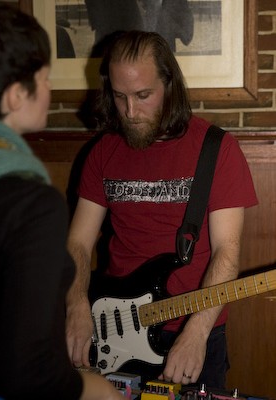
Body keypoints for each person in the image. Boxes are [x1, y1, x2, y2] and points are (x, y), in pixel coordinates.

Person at [0, 2, 124, 399]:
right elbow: (29, 374)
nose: (50, 89)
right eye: (43, 78)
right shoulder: (30, 203)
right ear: (14, 96)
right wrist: (96, 390)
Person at [65, 30, 258, 389]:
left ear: (169, 85)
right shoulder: (103, 152)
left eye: (143, 95)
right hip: (112, 329)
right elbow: (77, 242)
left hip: (194, 328)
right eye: (119, 97)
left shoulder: (217, 150)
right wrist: (76, 304)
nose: (130, 112)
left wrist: (196, 333)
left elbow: (226, 252)